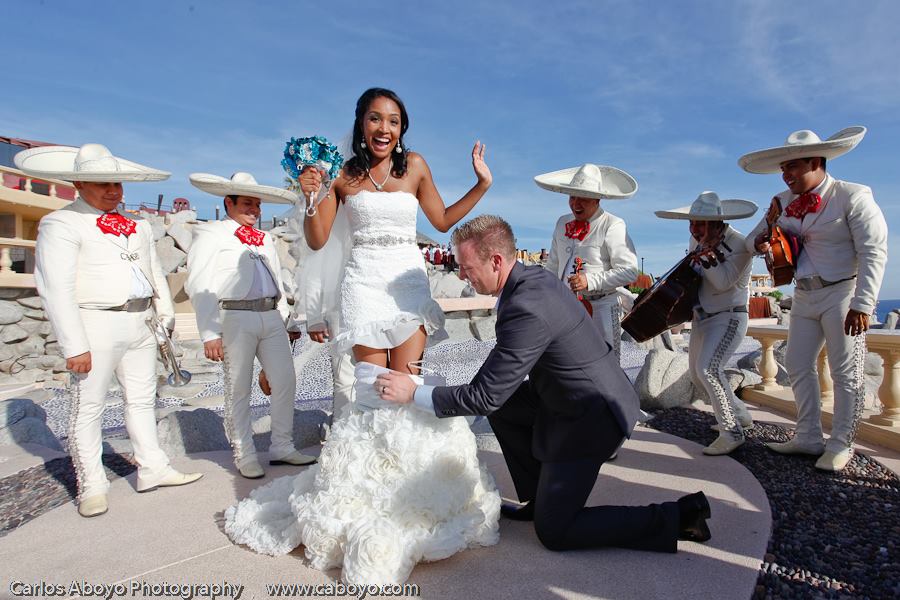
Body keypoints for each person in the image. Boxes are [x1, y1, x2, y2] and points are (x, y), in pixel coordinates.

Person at [224, 88, 499, 584]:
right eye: (376, 119)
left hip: (408, 286)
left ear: (402, 128)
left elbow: (440, 221)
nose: (385, 129)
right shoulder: (342, 175)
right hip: (363, 288)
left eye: (394, 121)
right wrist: (312, 196)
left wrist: (481, 185)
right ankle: (371, 496)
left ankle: (414, 491)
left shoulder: (414, 166)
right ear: (361, 124)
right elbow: (317, 238)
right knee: (374, 393)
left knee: (409, 385)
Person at [376, 215, 712, 554]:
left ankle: (677, 517)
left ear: (496, 261)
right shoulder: (530, 280)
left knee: (555, 533)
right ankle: (541, 497)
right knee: (506, 405)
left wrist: (415, 392)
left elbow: (485, 396)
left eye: (466, 267)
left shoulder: (527, 305)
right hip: (568, 397)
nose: (461, 274)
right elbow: (498, 382)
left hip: (594, 416)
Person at [17, 143, 202, 518]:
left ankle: (153, 467)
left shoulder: (137, 226)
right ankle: (91, 484)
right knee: (88, 407)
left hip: (140, 322)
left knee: (142, 399)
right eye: (101, 183)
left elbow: (154, 273)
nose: (112, 190)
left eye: (116, 183)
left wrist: (164, 316)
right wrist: (73, 344)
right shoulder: (61, 223)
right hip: (94, 322)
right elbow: (56, 288)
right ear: (79, 184)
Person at [742, 127, 888, 471]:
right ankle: (808, 436)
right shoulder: (781, 203)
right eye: (784, 168)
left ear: (817, 163)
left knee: (846, 372)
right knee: (796, 364)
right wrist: (763, 240)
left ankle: (841, 444)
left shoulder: (852, 196)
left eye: (793, 166)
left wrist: (864, 304)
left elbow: (874, 251)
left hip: (843, 292)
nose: (786, 174)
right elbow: (751, 242)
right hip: (803, 295)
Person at [185, 172, 314, 479]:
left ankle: (282, 445)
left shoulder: (266, 239)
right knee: (238, 387)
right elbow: (199, 283)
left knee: (284, 380)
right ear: (228, 202)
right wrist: (209, 332)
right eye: (247, 204)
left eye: (257, 205)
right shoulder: (213, 234)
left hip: (270, 315)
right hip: (234, 316)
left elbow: (275, 281)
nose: (255, 211)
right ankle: (243, 452)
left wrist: (286, 319)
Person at [655, 192, 758, 455]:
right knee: (699, 375)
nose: (694, 230)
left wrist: (704, 257)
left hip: (729, 316)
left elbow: (724, 281)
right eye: (691, 223)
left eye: (700, 224)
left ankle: (731, 432)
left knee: (709, 370)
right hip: (702, 316)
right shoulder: (696, 239)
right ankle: (740, 414)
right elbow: (693, 273)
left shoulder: (741, 244)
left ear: (716, 222)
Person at [538, 163, 640, 359]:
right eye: (572, 197)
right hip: (567, 307)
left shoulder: (613, 224)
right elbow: (553, 267)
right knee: (569, 363)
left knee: (608, 366)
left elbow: (629, 271)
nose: (576, 204)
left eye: (583, 198)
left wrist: (590, 281)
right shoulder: (562, 223)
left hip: (602, 306)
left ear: (597, 199)